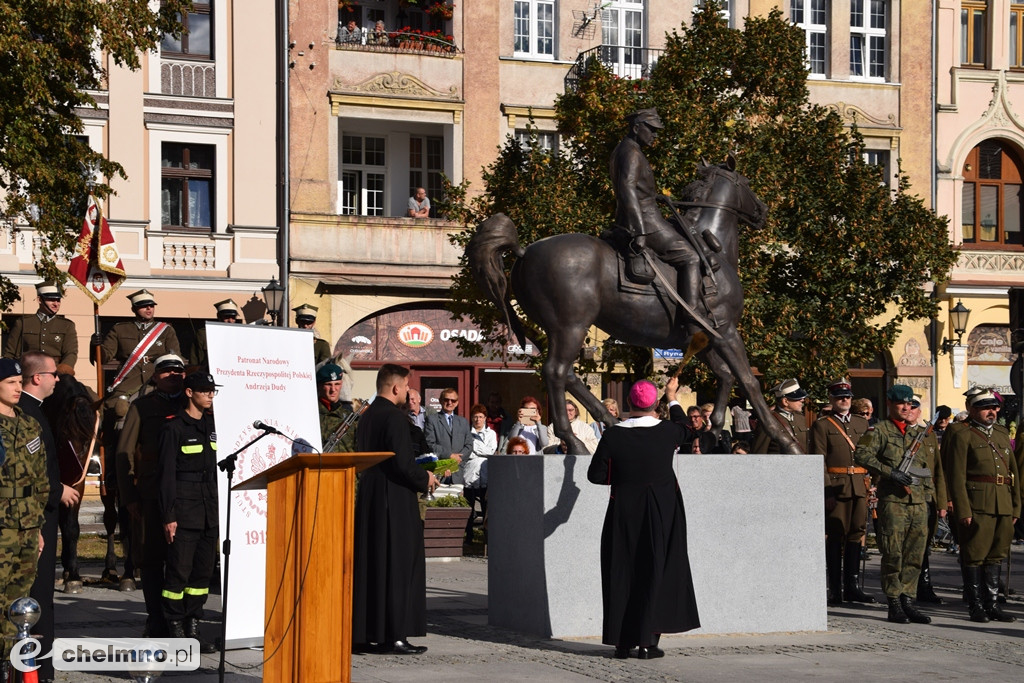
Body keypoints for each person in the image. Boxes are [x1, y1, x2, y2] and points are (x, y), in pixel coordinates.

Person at [587, 376, 701, 659]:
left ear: (628, 403)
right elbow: (688, 428)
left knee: (622, 570)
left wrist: (625, 478)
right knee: (656, 570)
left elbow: (596, 475)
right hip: (662, 510)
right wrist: (673, 396)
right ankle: (648, 643)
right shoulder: (667, 432)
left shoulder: (614, 434)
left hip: (624, 509)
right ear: (656, 404)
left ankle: (622, 643)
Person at [92, 288, 180, 587]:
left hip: (156, 384)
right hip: (127, 386)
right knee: (118, 411)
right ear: (135, 309)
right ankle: (118, 469)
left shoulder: (165, 330)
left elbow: (175, 356)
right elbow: (108, 356)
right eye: (143, 307)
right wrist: (98, 347)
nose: (148, 310)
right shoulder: (120, 329)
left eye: (151, 306)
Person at [353, 364, 438, 654]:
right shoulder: (394, 418)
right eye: (406, 386)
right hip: (394, 501)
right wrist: (425, 477)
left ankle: (366, 633)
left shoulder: (366, 417)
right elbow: (403, 464)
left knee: (373, 565)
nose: (407, 392)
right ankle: (395, 635)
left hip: (370, 498)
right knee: (398, 566)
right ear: (395, 388)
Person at [115, 353, 188, 637]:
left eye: (177, 372)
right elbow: (124, 454)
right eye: (166, 372)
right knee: (152, 560)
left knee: (183, 562)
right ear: (155, 377)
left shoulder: (192, 405)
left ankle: (179, 620)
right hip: (149, 496)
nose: (173, 376)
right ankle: (155, 618)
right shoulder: (142, 408)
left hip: (185, 496)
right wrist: (129, 496)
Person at [854, 384, 939, 625]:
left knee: (915, 554)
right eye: (900, 403)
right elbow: (861, 455)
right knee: (893, 553)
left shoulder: (919, 434)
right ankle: (894, 603)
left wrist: (930, 498)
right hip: (893, 502)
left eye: (909, 403)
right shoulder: (880, 430)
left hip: (918, 502)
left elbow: (928, 470)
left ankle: (908, 600)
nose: (905, 407)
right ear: (890, 404)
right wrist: (890, 473)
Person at [611, 108, 702, 312]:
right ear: (636, 128)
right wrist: (639, 229)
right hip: (647, 222)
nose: (655, 135)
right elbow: (627, 188)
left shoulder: (623, 149)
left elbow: (635, 189)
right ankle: (692, 316)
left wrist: (655, 196)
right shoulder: (632, 152)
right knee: (691, 257)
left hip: (641, 216)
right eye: (651, 129)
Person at [157, 371, 220, 650]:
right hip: (184, 511)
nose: (210, 394)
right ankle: (174, 628)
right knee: (178, 574)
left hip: (209, 512)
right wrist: (168, 516)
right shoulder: (174, 427)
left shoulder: (212, 426)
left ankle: (193, 624)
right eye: (205, 390)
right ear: (189, 392)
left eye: (212, 390)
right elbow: (166, 475)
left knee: (202, 575)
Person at [946, 389, 1020, 623]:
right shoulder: (962, 434)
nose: (993, 412)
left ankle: (993, 604)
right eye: (986, 408)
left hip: (1003, 503)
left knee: (997, 555)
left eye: (995, 407)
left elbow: (1013, 472)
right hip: (978, 503)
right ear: (973, 410)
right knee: (975, 554)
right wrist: (963, 509)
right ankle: (976, 605)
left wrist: (1016, 506)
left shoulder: (1000, 433)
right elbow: (956, 476)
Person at [22, 351, 74, 683]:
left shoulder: (37, 412)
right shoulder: (28, 416)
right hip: (36, 518)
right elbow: (33, 473)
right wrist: (58, 491)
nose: (58, 379)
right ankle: (39, 669)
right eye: (54, 374)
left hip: (42, 514)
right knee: (38, 594)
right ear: (38, 377)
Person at [810, 378, 874, 605]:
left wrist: (871, 482)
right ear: (832, 399)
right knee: (836, 534)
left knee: (857, 534)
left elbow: (869, 456)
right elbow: (820, 460)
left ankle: (853, 586)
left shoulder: (861, 424)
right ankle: (835, 589)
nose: (844, 400)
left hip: (859, 485)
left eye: (847, 397)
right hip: (836, 486)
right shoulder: (823, 425)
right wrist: (826, 491)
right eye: (839, 397)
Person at [0, 358, 48, 662]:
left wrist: (39, 527)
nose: (19, 388)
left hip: (29, 523)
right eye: (11, 383)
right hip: (2, 524)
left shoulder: (29, 423)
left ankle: (10, 659)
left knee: (20, 593)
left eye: (20, 382)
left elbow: (40, 477)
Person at [908, 395, 947, 606]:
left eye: (914, 407)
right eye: (907, 406)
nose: (910, 410)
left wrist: (941, 502)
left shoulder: (928, 435)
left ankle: (924, 586)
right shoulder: (894, 431)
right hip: (905, 496)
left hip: (927, 496)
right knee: (905, 544)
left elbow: (938, 471)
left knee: (925, 544)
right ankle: (906, 588)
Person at [3, 281, 78, 368]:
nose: (56, 304)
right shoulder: (22, 323)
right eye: (51, 299)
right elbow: (10, 353)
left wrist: (63, 371)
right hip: (27, 372)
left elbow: (70, 353)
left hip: (55, 373)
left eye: (58, 300)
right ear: (39, 300)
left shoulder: (67, 325)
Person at [751, 379, 809, 454]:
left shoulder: (800, 418)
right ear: (785, 401)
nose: (802, 400)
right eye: (797, 398)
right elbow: (759, 452)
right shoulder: (768, 420)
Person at [464, 404, 494, 542]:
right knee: (469, 509)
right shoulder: (466, 433)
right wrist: (480, 450)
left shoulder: (491, 434)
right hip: (469, 475)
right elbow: (466, 452)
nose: (478, 420)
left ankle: (486, 539)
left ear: (485, 418)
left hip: (485, 475)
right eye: (475, 416)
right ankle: (469, 537)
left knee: (486, 509)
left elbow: (491, 451)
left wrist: (474, 447)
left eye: (481, 417)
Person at [189, 298, 240, 370]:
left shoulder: (240, 335)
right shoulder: (204, 334)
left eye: (233, 317)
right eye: (226, 317)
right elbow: (194, 358)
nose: (230, 321)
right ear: (218, 316)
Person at [424, 388, 471, 465]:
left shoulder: (463, 422)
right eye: (446, 400)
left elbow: (469, 445)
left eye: (453, 400)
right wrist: (449, 455)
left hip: (458, 468)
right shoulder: (432, 420)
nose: (450, 403)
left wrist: (458, 458)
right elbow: (430, 443)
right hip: (440, 467)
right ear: (440, 401)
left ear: (457, 403)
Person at [317, 362, 356, 452]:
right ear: (319, 386)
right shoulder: (312, 416)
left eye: (337, 384)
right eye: (328, 384)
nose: (333, 389)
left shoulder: (350, 417)